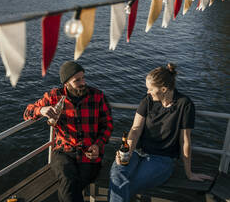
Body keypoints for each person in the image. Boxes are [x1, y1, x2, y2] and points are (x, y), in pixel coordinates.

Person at [108, 63, 213, 202]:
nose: (147, 92)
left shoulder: (184, 105)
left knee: (129, 184)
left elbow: (185, 141)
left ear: (163, 89)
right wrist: (126, 153)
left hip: (162, 159)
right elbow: (135, 129)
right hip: (136, 152)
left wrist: (189, 173)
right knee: (117, 176)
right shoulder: (147, 100)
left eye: (150, 89)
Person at [23, 61, 113, 202]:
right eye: (77, 80)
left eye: (83, 78)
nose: (83, 82)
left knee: (74, 186)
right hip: (63, 151)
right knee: (68, 180)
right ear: (66, 83)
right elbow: (27, 112)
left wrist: (98, 145)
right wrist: (41, 110)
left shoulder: (97, 96)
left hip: (89, 152)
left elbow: (107, 125)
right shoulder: (54, 96)